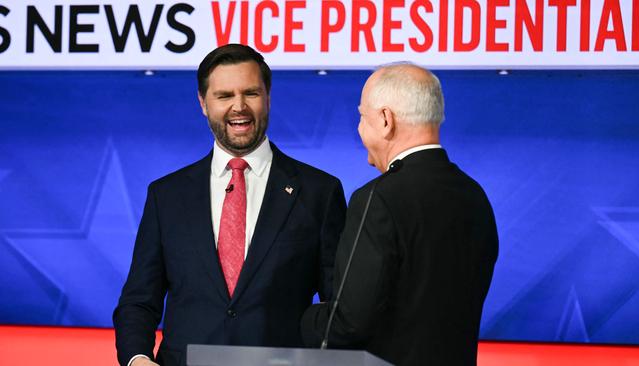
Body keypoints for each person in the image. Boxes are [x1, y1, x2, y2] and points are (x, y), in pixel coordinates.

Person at [113, 44, 346, 366]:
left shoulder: (320, 191)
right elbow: (139, 300)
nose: (239, 107)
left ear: (268, 97)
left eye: (251, 93)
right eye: (224, 96)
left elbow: (339, 304)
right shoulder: (166, 195)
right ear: (203, 103)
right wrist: (137, 358)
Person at [301, 64, 498, 366]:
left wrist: (296, 317)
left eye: (361, 116)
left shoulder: (377, 199)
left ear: (385, 120)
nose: (359, 128)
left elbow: (347, 324)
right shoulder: (474, 196)